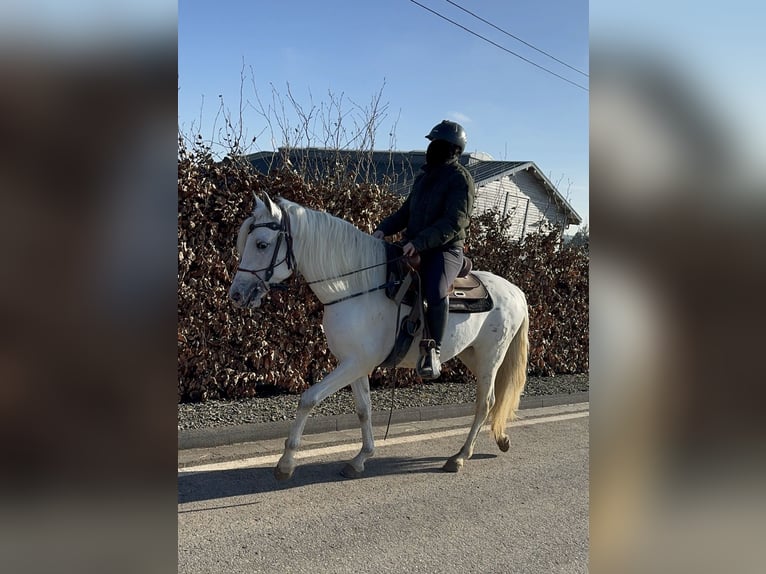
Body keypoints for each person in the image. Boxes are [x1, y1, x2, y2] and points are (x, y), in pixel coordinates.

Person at [373, 120, 476, 378]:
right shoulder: (424, 176)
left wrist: (418, 243)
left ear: (453, 149)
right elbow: (406, 212)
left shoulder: (461, 180)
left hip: (445, 249)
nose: (432, 148)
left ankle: (433, 350)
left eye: (437, 144)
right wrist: (383, 228)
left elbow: (454, 222)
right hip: (414, 245)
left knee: (435, 289)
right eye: (431, 143)